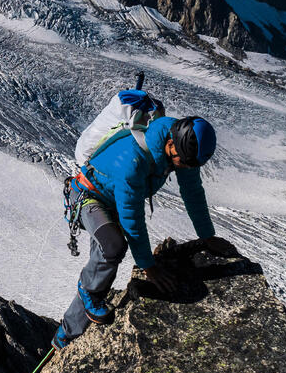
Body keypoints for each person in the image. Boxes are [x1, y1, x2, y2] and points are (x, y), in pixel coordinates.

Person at [56, 112, 221, 348]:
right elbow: (132, 218)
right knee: (112, 248)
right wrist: (148, 267)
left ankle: (66, 334)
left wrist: (208, 236)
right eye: (182, 162)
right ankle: (84, 299)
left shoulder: (184, 148)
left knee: (103, 268)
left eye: (189, 164)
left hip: (111, 200)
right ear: (171, 144)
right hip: (89, 197)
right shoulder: (132, 159)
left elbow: (193, 192)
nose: (183, 168)